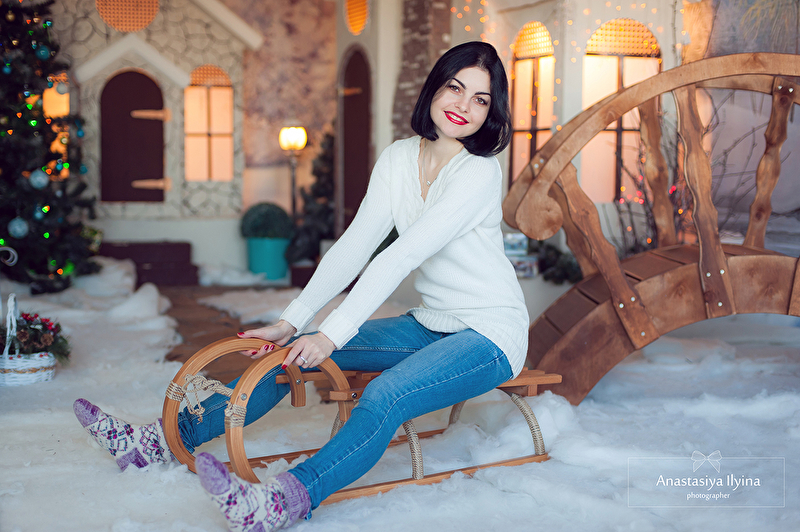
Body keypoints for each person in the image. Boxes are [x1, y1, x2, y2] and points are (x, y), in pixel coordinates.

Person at [73, 41, 529, 532]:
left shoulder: (479, 173)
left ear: (491, 112)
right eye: (455, 88)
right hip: (430, 323)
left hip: (490, 335)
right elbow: (355, 245)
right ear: (434, 87)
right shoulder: (399, 157)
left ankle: (282, 502)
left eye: (480, 99)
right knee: (287, 355)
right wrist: (294, 321)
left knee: (388, 394)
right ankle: (158, 441)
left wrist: (331, 334)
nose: (463, 106)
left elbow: (402, 255)